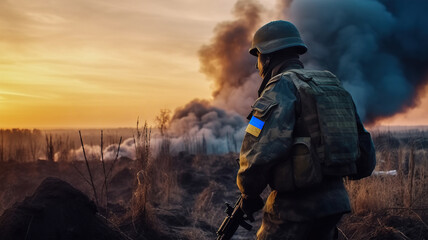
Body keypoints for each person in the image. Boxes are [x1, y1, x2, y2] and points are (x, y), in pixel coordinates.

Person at [236, 20, 376, 240]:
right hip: (335, 203)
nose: (257, 66)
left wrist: (248, 193)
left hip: (294, 209)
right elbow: (365, 151)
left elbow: (257, 153)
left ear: (268, 56)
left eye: (258, 57)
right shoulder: (330, 84)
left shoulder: (279, 88)